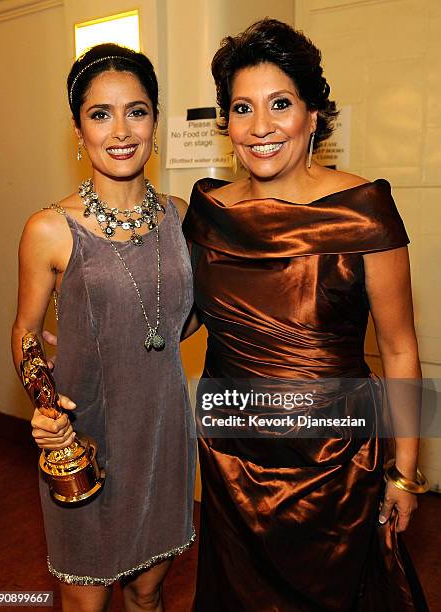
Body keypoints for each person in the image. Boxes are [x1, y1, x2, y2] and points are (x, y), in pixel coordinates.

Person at [182, 19, 428, 611]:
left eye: (281, 104)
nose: (261, 127)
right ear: (227, 122)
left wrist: (405, 470)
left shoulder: (365, 211)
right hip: (231, 459)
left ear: (314, 114)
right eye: (243, 107)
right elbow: (186, 319)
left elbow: (398, 348)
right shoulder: (207, 212)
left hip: (333, 467)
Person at [11, 43, 196, 612]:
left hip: (163, 433)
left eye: (136, 111)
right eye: (100, 114)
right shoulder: (50, 228)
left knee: (148, 592)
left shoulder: (182, 216)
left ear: (155, 120)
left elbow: (177, 323)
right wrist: (44, 402)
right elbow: (24, 334)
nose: (120, 131)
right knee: (84, 600)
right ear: (78, 128)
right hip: (84, 437)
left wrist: (110, 337)